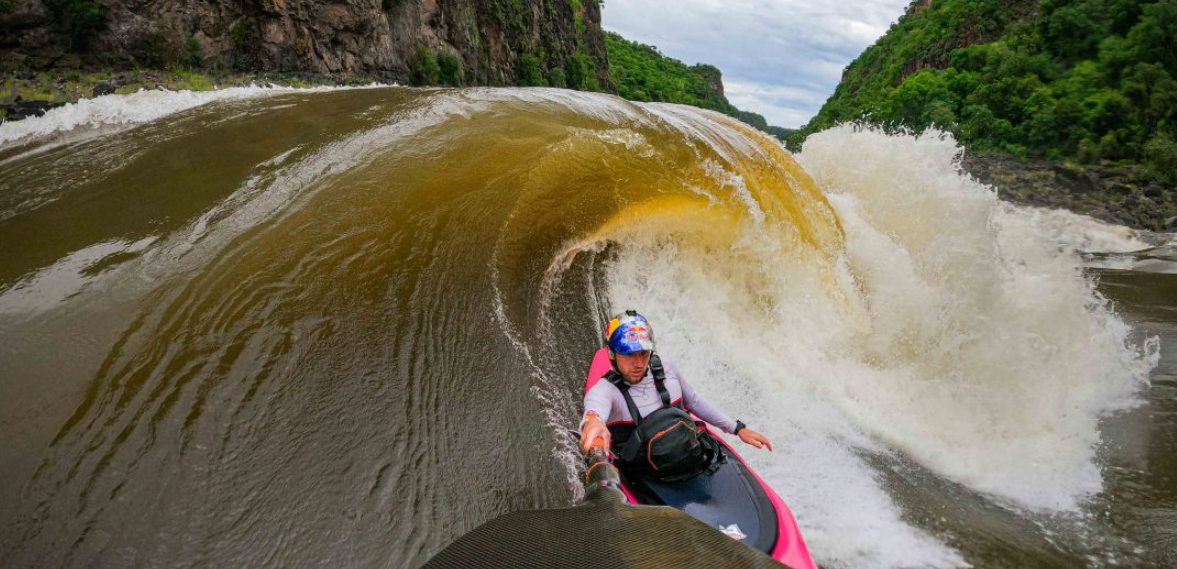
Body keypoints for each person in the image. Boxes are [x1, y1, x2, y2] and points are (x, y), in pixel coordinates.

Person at [580, 310, 773, 482]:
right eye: (629, 354)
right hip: (648, 475)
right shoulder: (605, 391)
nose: (638, 363)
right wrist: (593, 425)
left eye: (644, 353)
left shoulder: (666, 368)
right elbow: (593, 416)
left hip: (688, 452)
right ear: (611, 353)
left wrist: (737, 428)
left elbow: (693, 401)